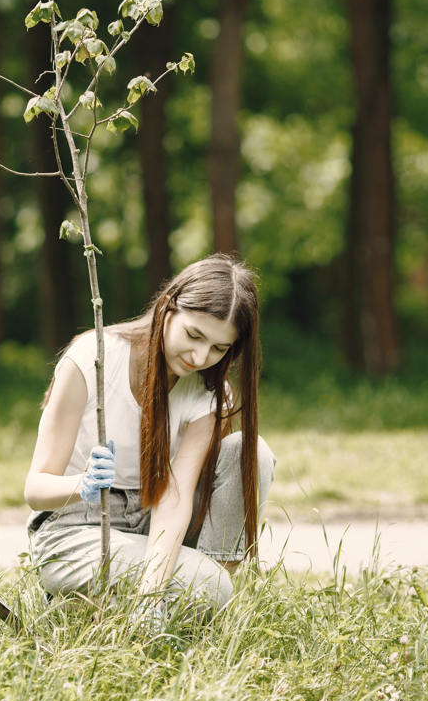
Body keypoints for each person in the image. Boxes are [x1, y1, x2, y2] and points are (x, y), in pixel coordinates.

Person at [24, 254, 276, 623]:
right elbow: (35, 488)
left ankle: (183, 605)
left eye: (219, 348)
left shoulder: (210, 392)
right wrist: (84, 484)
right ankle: (168, 600)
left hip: (152, 521)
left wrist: (150, 592)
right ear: (168, 306)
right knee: (205, 586)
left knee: (249, 453)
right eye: (194, 335)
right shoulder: (92, 359)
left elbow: (174, 497)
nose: (200, 356)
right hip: (76, 527)